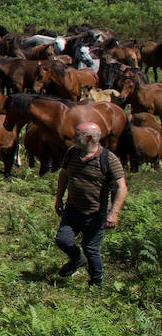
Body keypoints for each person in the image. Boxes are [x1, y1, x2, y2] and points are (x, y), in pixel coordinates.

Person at [54, 121, 127, 287]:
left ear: (88, 139)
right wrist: (58, 198)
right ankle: (78, 260)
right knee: (63, 240)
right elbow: (64, 175)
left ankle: (96, 283)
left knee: (91, 249)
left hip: (95, 214)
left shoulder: (108, 159)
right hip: (72, 209)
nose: (73, 137)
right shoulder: (72, 153)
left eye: (77, 135)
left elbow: (121, 187)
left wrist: (113, 213)